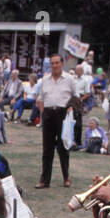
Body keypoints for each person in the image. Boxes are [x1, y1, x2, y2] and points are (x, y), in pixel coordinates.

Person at [35, 54, 77, 189]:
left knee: (63, 147)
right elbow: (40, 98)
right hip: (48, 114)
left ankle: (66, 177)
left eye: (57, 63)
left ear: (62, 64)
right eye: (52, 63)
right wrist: (43, 114)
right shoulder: (45, 80)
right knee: (47, 149)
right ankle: (44, 180)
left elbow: (75, 97)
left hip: (63, 114)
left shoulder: (69, 79)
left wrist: (70, 109)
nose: (54, 66)